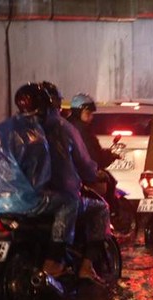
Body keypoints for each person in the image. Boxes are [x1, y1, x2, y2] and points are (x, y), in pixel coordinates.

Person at [0, 84, 79, 277]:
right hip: (25, 202)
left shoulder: (2, 129)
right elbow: (40, 180)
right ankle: (54, 260)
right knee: (69, 202)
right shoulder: (36, 136)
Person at [41, 81, 110, 283]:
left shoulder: (16, 129)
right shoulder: (64, 129)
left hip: (12, 200)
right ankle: (84, 267)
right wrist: (94, 175)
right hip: (52, 197)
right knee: (100, 209)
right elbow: (85, 165)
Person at [68, 93, 119, 171]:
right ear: (77, 112)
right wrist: (108, 157)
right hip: (82, 175)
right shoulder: (81, 130)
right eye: (88, 113)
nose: (91, 117)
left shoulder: (68, 126)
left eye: (91, 114)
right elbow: (92, 157)